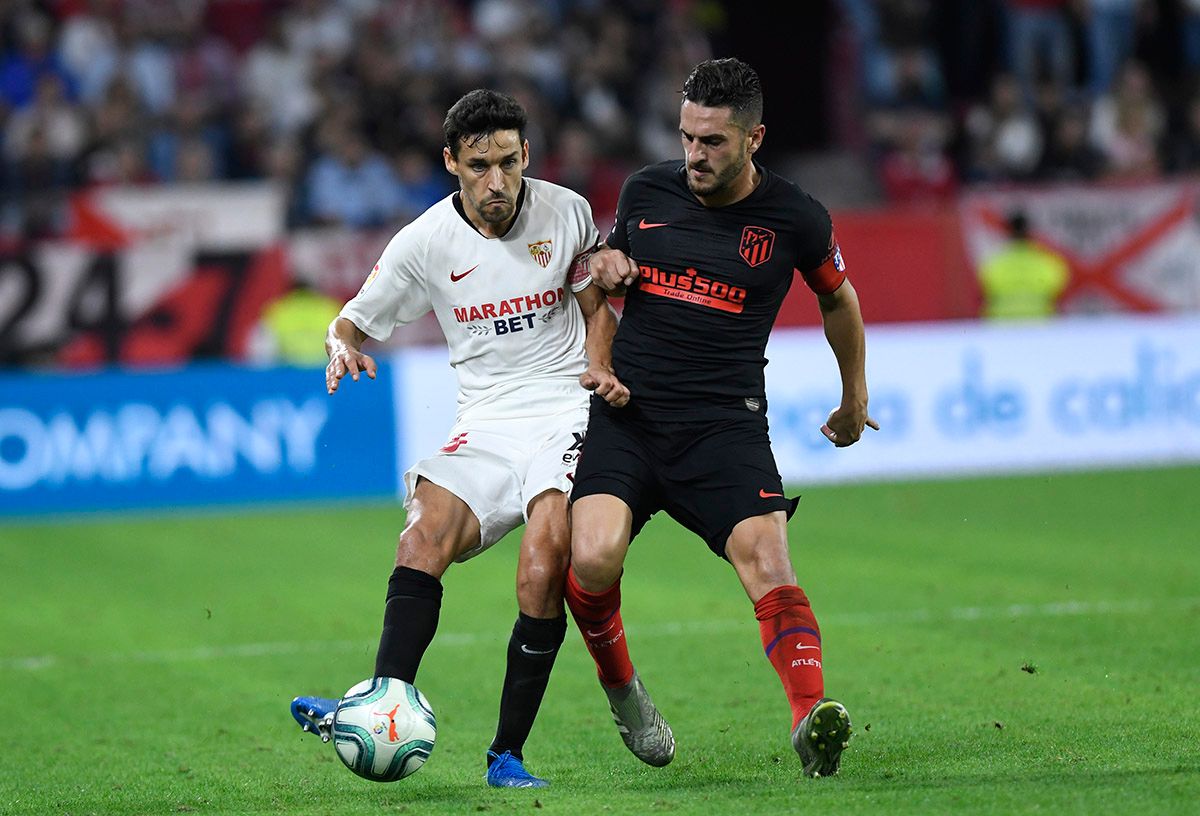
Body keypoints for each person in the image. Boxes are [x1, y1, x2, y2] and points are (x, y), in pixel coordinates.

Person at [288, 89, 629, 788]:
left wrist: (600, 364)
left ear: (526, 154)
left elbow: (597, 308)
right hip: (486, 419)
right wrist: (339, 347)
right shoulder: (423, 242)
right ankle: (382, 701)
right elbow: (350, 322)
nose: (496, 181)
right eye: (479, 166)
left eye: (509, 162)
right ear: (451, 162)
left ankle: (507, 754)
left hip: (567, 407)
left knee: (544, 558)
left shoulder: (566, 212)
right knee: (421, 537)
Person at [564, 58, 878, 778]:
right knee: (593, 556)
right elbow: (600, 282)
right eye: (687, 138)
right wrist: (602, 281)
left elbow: (839, 299)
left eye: (712, 142)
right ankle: (624, 692)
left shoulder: (796, 217)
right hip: (631, 416)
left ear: (753, 138)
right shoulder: (646, 191)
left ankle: (810, 719)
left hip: (723, 425)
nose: (694, 156)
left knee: (769, 561)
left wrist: (854, 396)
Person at [978, 210, 1070, 319]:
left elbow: (984, 294)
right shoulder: (1049, 264)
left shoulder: (993, 264)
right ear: (1030, 232)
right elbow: (1058, 295)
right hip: (1039, 323)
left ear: (1008, 232)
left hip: (1002, 323)